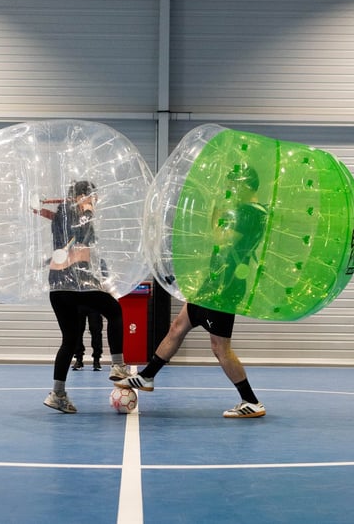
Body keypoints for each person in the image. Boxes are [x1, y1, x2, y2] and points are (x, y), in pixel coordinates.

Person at [116, 164, 268, 418]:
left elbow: (222, 239)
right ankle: (147, 376)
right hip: (215, 280)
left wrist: (217, 213)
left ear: (245, 186)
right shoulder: (249, 210)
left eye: (234, 184)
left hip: (224, 286)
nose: (230, 188)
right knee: (178, 326)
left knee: (220, 347)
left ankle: (251, 401)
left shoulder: (249, 212)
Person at [43, 180, 130, 414]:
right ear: (83, 196)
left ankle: (57, 393)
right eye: (93, 197)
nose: (96, 201)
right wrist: (88, 209)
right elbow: (84, 236)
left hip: (57, 285)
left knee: (69, 339)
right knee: (114, 311)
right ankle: (118, 365)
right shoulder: (79, 215)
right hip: (76, 279)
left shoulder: (61, 216)